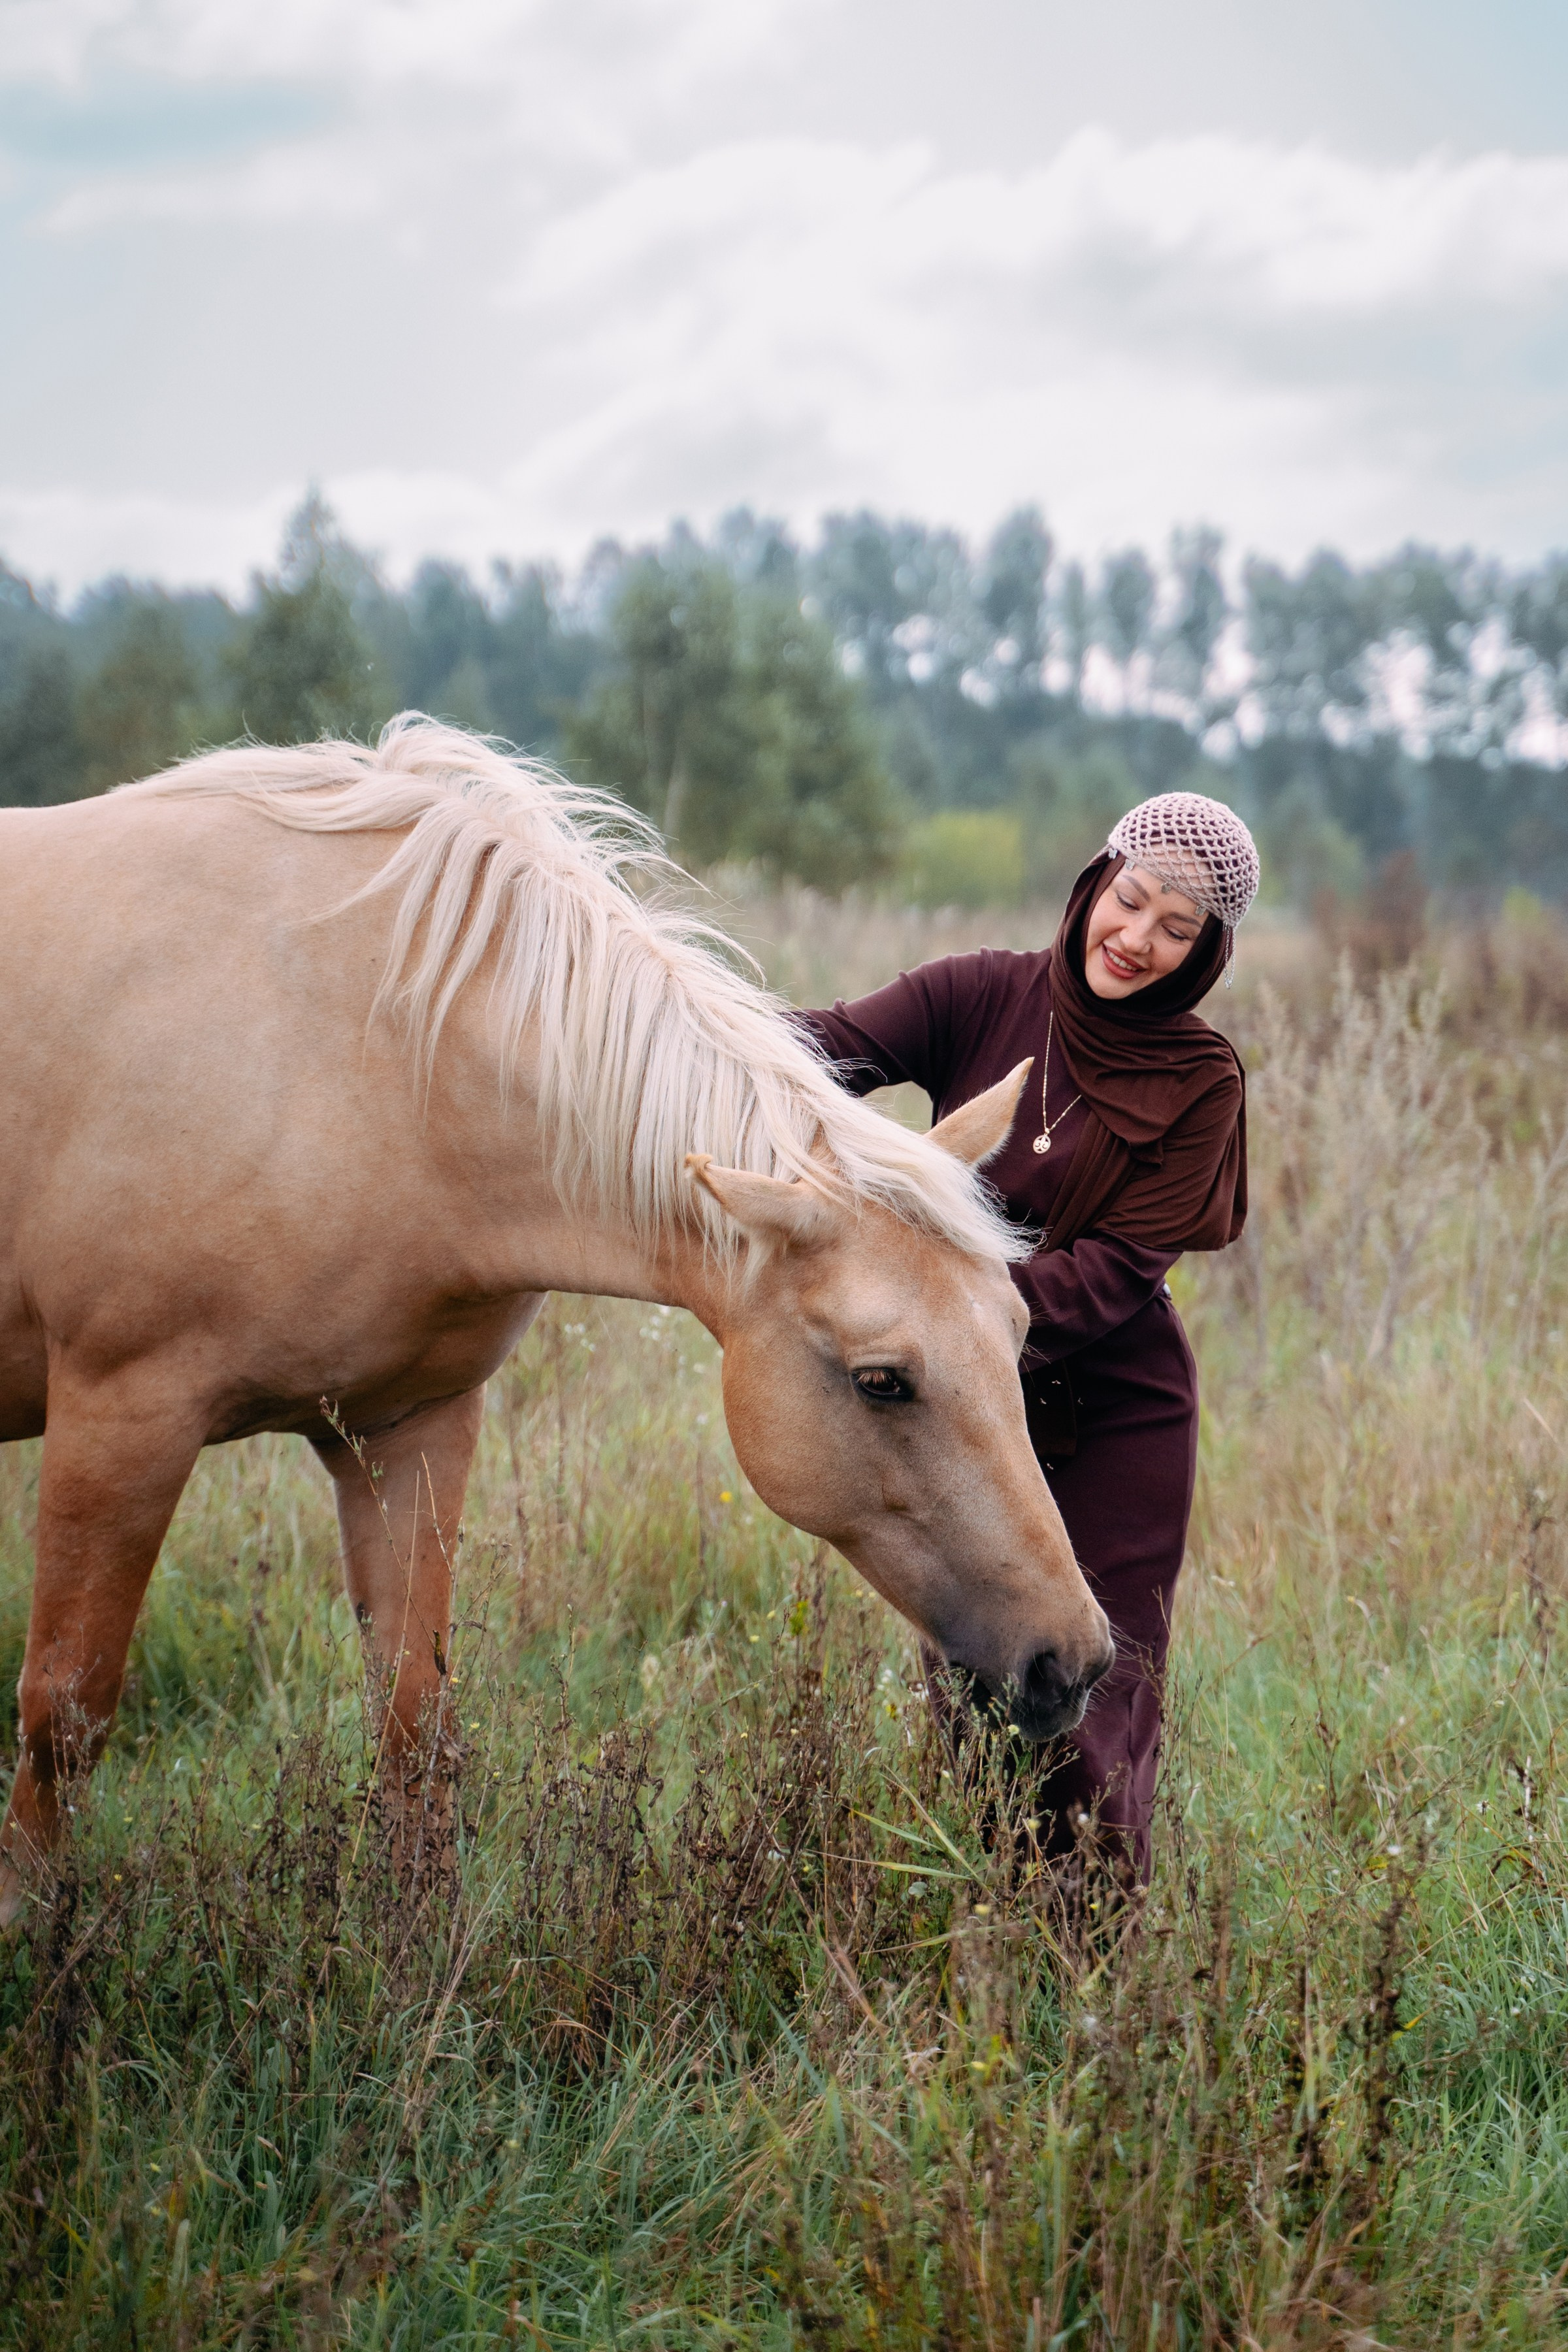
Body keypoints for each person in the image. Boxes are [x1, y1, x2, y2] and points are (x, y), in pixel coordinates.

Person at [796, 791, 1258, 1898]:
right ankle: (989, 1943)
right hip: (955, 1405)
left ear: (1206, 952)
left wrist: (941, 1313)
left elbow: (1113, 1276)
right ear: (1096, 883)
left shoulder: (1202, 1082)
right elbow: (816, 1049)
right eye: (1130, 900)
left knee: (1090, 1702)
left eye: (1177, 928)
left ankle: (1101, 1964)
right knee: (978, 1690)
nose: (1137, 938)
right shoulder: (979, 993)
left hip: (1111, 1411)